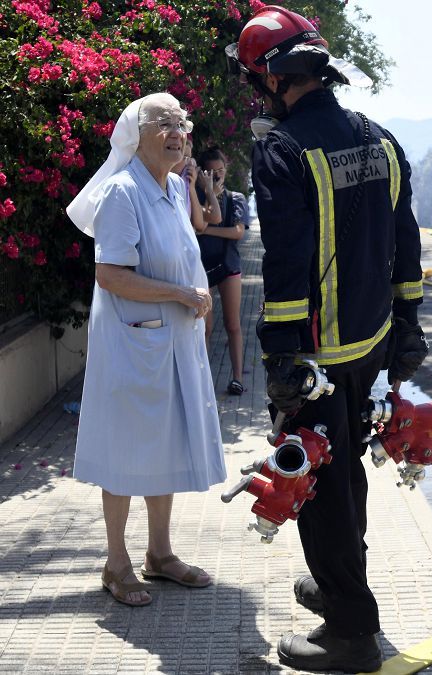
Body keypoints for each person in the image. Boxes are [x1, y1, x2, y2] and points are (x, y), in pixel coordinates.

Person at [227, 6, 428, 671]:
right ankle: (343, 583)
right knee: (342, 474)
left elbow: (284, 265)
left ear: (272, 79)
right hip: (371, 344)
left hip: (314, 356)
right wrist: (409, 326)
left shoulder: (284, 151)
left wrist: (281, 359)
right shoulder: (380, 139)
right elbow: (406, 242)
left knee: (313, 482)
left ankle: (349, 629)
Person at [65, 93, 227, 605]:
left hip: (175, 339)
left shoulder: (177, 190)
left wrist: (198, 305)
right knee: (126, 447)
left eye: (182, 122)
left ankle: (160, 553)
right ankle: (116, 562)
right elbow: (111, 274)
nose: (178, 131)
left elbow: (184, 256)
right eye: (165, 123)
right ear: (136, 135)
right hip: (133, 344)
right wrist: (182, 295)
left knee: (167, 441)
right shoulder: (121, 191)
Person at [195, 146, 249, 395]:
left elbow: (237, 232)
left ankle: (237, 377)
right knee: (205, 327)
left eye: (220, 170)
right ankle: (204, 379)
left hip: (228, 264)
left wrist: (205, 230)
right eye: (211, 172)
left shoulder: (236, 198)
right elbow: (200, 219)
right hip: (202, 266)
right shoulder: (196, 196)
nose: (217, 176)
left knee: (233, 324)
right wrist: (208, 193)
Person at [170, 134, 220, 233]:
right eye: (185, 157)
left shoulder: (185, 185)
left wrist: (193, 187)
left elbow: (211, 219)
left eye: (189, 158)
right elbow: (203, 224)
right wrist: (209, 191)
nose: (188, 163)